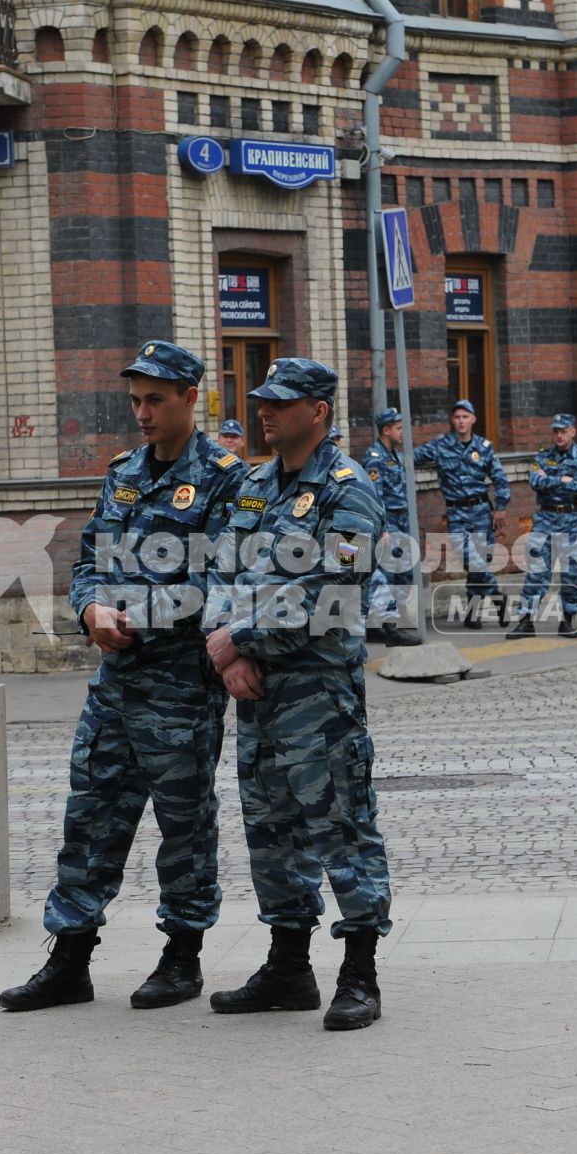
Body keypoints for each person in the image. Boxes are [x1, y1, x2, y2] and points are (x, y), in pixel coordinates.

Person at [0, 340, 247, 1013]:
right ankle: (70, 957)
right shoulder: (123, 473)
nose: (141, 412)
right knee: (90, 819)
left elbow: (216, 584)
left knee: (185, 826)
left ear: (190, 398)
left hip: (179, 690)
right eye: (135, 399)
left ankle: (182, 956)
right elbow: (86, 560)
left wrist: (125, 615)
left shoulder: (226, 479)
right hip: (113, 688)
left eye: (155, 400)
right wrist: (87, 609)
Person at [205, 357, 392, 1031]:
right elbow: (221, 566)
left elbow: (335, 597)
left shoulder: (350, 490)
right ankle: (288, 967)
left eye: (280, 402)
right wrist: (224, 646)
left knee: (342, 827)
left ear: (318, 410)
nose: (264, 410)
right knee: (271, 832)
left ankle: (360, 973)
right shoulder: (256, 486)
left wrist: (240, 638)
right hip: (256, 694)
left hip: (320, 694)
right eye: (261, 399)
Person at [414, 399, 510, 628]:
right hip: (456, 513)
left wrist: (501, 508)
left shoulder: (484, 447)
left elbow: (500, 478)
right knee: (472, 559)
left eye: (465, 417)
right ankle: (498, 598)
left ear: (473, 419)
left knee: (480, 563)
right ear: (452, 420)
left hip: (481, 512)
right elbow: (410, 457)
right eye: (457, 417)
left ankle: (472, 613)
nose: (461, 421)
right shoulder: (441, 446)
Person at [509, 413, 577, 639]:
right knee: (536, 571)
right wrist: (561, 479)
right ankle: (526, 621)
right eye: (556, 430)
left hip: (572, 521)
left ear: (573, 431)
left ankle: (568, 620)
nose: (559, 435)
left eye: (563, 430)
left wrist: (551, 480)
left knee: (570, 574)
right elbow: (535, 482)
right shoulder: (543, 456)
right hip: (545, 521)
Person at [363, 407, 421, 648]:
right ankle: (388, 626)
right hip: (389, 524)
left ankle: (389, 622)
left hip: (402, 521)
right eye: (398, 428)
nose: (403, 433)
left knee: (403, 572)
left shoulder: (396, 454)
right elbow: (374, 495)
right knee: (385, 574)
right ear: (386, 430)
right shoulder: (374, 457)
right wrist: (383, 527)